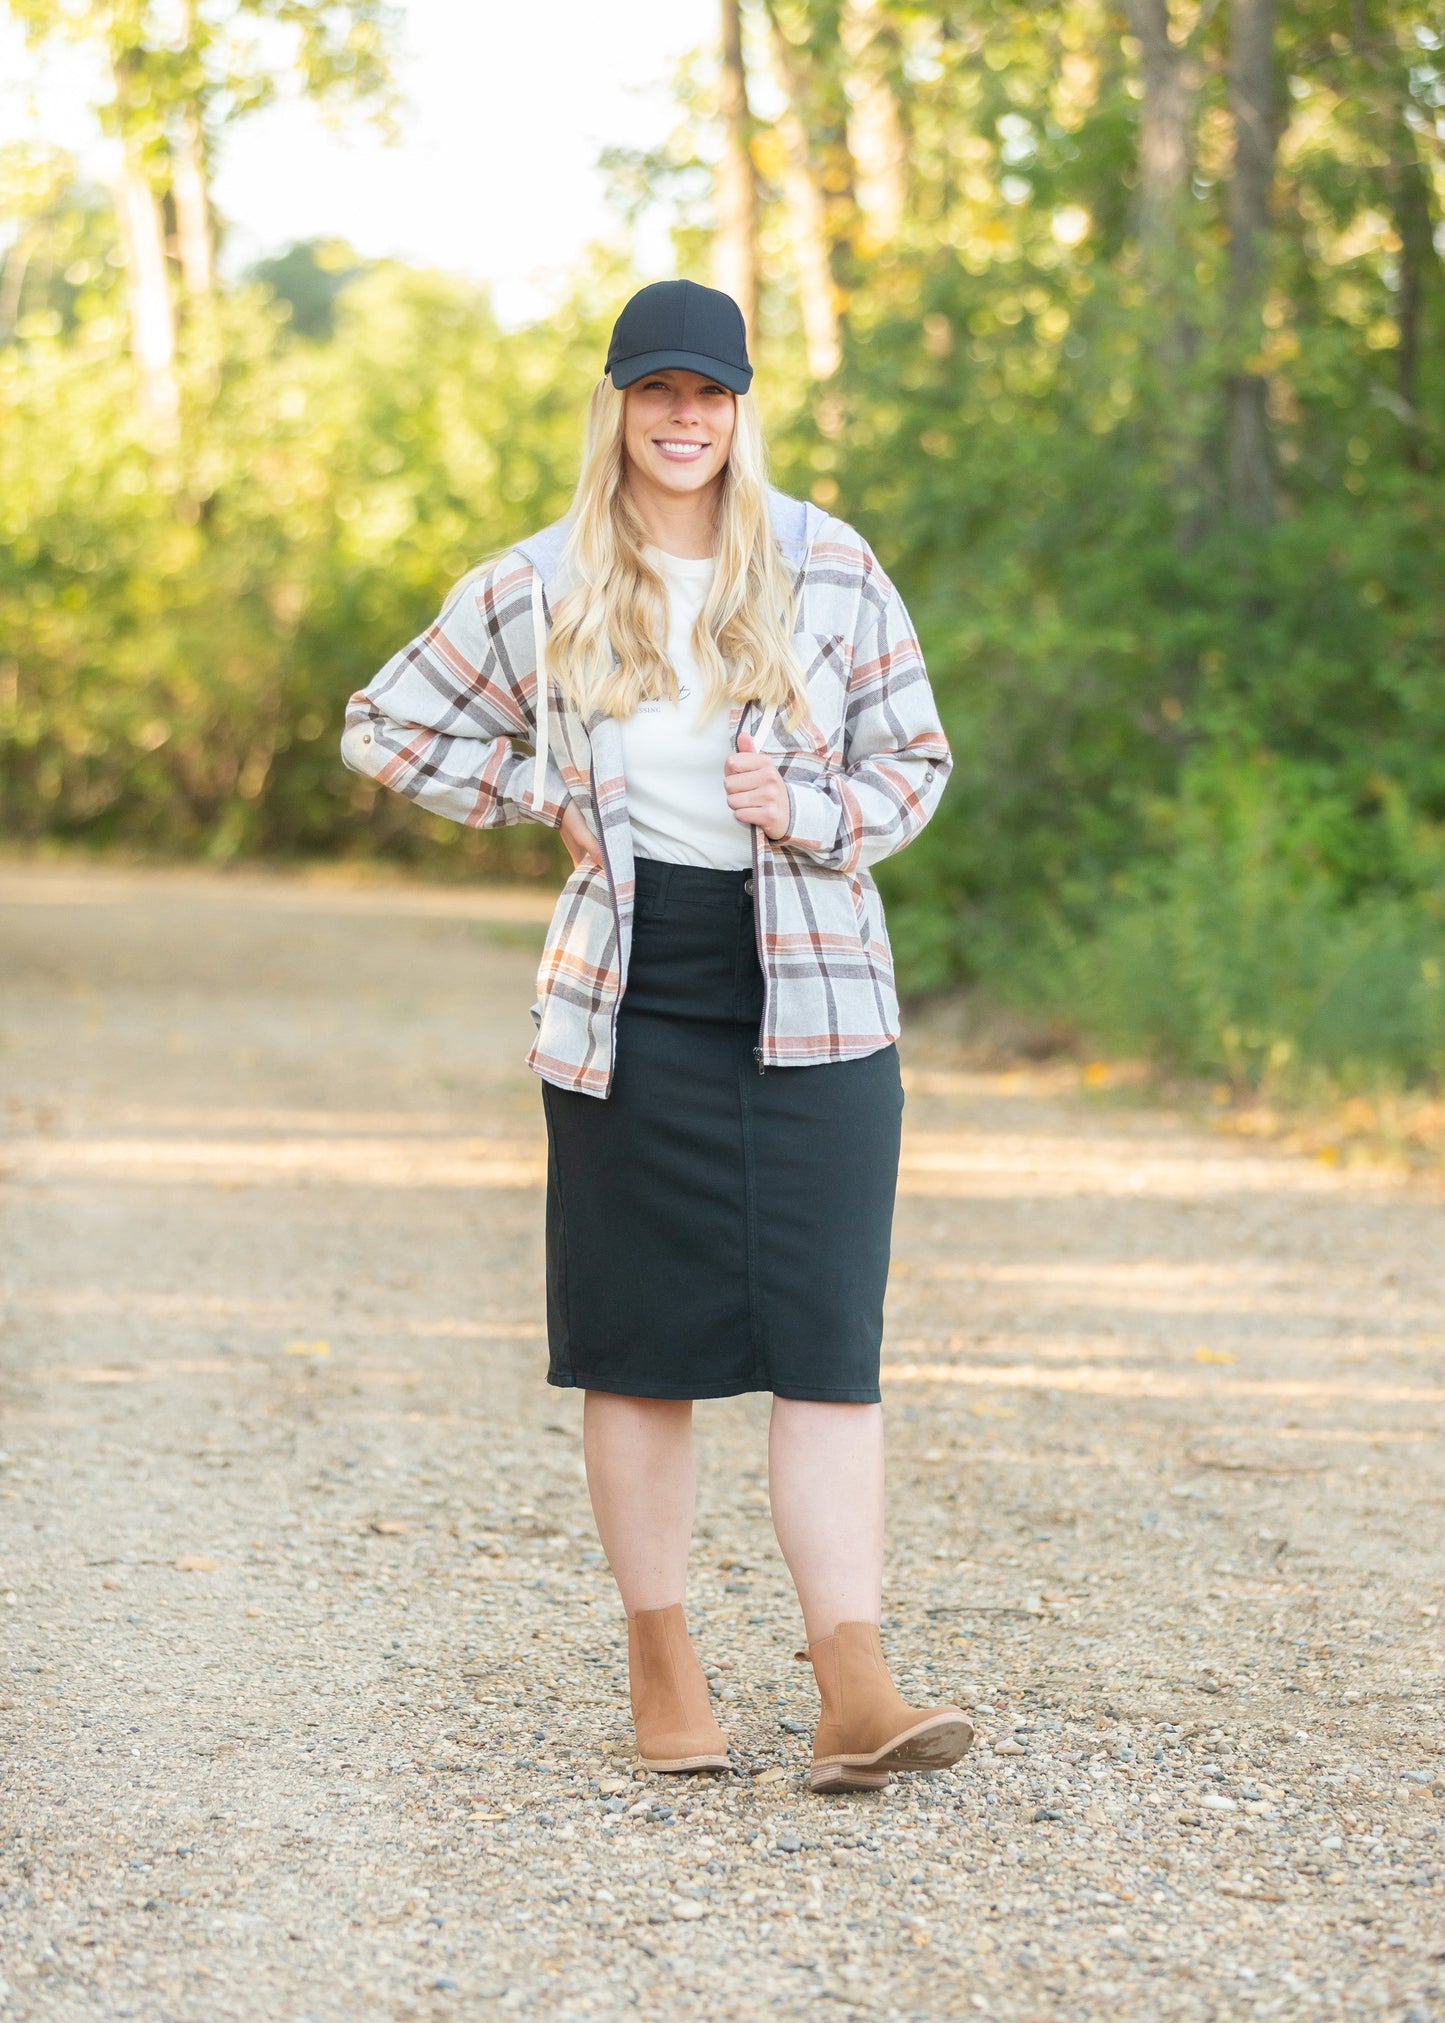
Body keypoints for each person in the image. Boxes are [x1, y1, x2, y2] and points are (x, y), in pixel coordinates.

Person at [341, 279, 972, 1793]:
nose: (683, 420)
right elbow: (386, 725)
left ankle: (853, 1687)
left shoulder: (826, 563)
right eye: (655, 393)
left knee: (826, 1348)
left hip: (815, 999)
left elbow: (916, 761)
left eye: (709, 395)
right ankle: (663, 1664)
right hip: (628, 1004)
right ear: (617, 406)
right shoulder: (540, 579)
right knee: (641, 1353)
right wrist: (527, 795)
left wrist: (808, 812)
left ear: (740, 409)